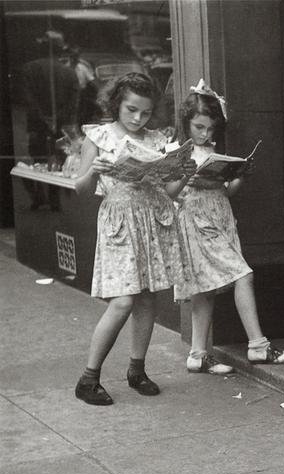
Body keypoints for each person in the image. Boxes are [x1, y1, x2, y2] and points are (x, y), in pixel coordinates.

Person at [73, 72, 193, 405]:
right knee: (123, 300)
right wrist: (94, 170)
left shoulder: (157, 140)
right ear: (116, 104)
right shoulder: (98, 137)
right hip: (119, 223)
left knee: (147, 299)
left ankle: (136, 370)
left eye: (144, 112)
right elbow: (79, 188)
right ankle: (88, 378)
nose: (138, 118)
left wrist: (184, 175)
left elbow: (168, 191)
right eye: (131, 110)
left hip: (151, 220)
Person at [165, 79, 284, 374]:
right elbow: (169, 193)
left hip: (219, 218)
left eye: (211, 128)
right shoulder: (176, 150)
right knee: (243, 275)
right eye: (199, 127)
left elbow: (226, 191)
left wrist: (240, 174)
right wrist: (187, 176)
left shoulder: (212, 150)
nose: (205, 134)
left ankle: (198, 354)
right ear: (186, 122)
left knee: (205, 288)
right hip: (196, 221)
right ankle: (258, 346)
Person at [20, 30, 79, 210]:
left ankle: (39, 195)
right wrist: (58, 119)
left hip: (38, 123)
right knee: (59, 158)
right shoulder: (69, 73)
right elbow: (73, 102)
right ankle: (53, 196)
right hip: (61, 124)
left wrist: (43, 117)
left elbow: (27, 98)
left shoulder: (29, 68)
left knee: (37, 157)